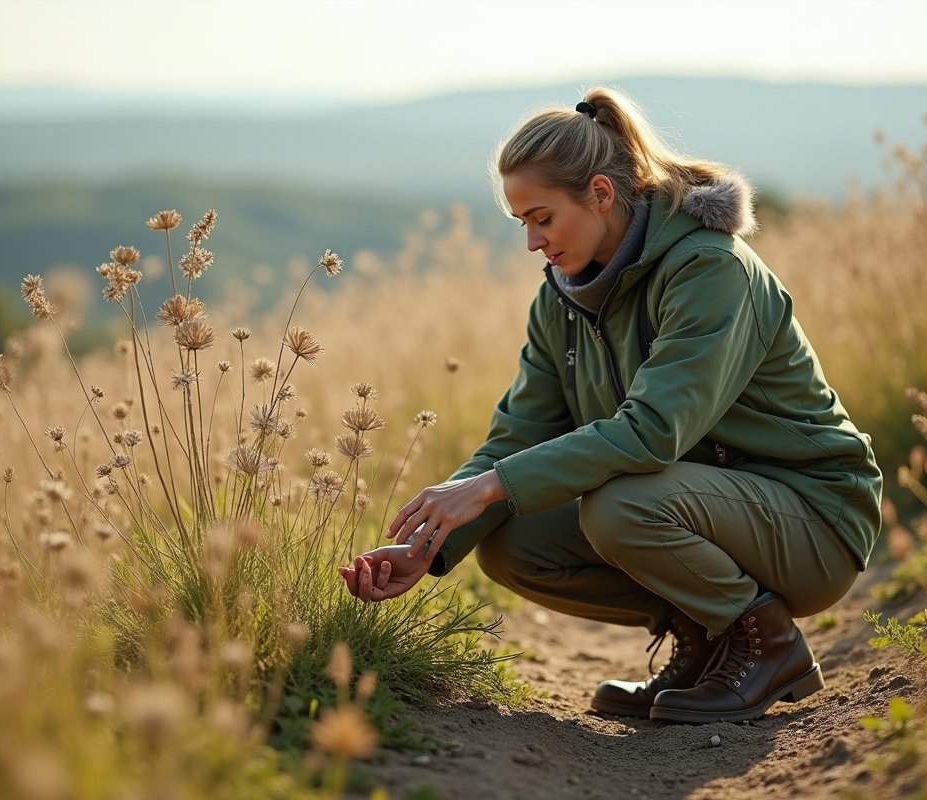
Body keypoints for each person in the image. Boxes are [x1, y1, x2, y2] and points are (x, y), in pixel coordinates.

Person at [337, 87, 882, 724]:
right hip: (708, 508)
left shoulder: (711, 269)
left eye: (543, 218)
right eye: (523, 225)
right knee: (513, 543)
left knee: (618, 505)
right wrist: (431, 544)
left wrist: (486, 488)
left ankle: (767, 643)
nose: (534, 242)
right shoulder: (561, 300)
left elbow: (653, 433)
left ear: (600, 193)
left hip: (813, 519)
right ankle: (707, 636)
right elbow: (518, 437)